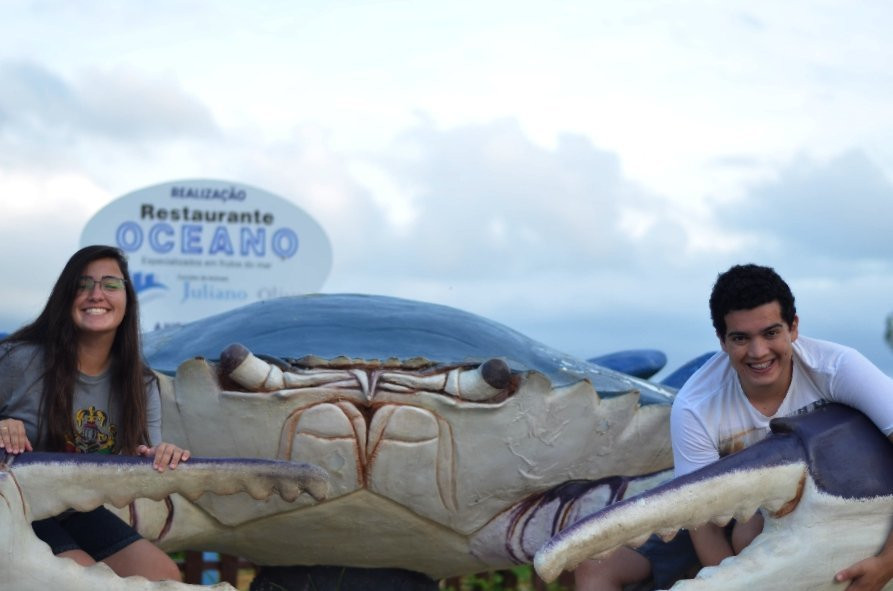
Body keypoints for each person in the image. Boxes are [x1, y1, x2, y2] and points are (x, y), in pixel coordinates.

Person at [576, 263, 893, 591]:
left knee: (751, 532)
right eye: (741, 338)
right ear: (722, 340)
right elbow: (700, 520)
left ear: (793, 328)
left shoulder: (837, 369)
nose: (758, 352)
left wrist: (888, 562)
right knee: (594, 568)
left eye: (771, 333)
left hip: (848, 507)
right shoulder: (696, 405)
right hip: (732, 514)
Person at [0, 244, 190, 581]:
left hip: (73, 508)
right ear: (66, 297)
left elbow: (144, 460)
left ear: (127, 300)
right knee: (83, 578)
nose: (96, 294)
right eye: (83, 284)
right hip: (13, 503)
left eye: (110, 284)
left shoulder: (141, 383)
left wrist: (161, 455)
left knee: (163, 575)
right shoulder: (20, 359)